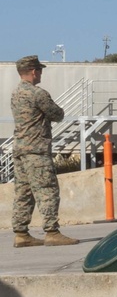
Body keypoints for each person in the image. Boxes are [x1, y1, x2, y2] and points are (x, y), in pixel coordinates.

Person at [10, 55, 79, 248]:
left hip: (20, 150)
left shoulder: (16, 94)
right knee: (47, 190)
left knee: (23, 193)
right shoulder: (37, 94)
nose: (40, 74)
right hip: (37, 151)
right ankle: (52, 232)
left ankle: (21, 234)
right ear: (33, 71)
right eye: (39, 70)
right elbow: (57, 114)